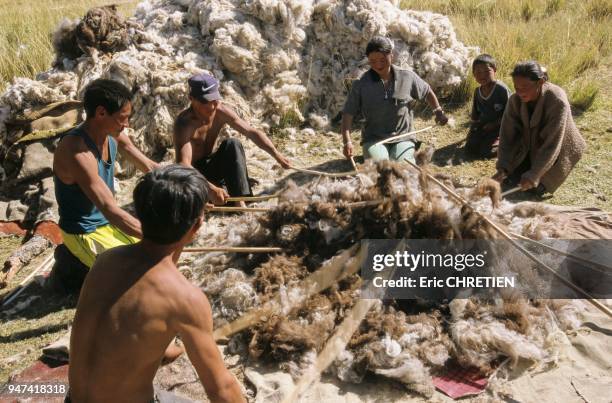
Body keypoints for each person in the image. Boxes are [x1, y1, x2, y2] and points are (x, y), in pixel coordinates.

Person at [67, 165, 245, 403]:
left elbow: (132, 322)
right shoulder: (184, 299)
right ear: (197, 226)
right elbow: (221, 390)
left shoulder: (105, 261)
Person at [52, 78, 158, 292]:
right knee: (136, 278)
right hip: (84, 231)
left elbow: (150, 166)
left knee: (154, 262)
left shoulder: (113, 134)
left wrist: (197, 190)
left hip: (109, 224)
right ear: (101, 113)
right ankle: (71, 264)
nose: (127, 124)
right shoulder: (76, 150)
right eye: (123, 118)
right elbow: (110, 209)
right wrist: (158, 237)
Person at [173, 73, 292, 206]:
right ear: (191, 98)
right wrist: (211, 189)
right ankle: (222, 198)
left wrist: (277, 155)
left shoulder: (220, 111)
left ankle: (240, 200)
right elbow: (184, 165)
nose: (212, 107)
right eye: (205, 102)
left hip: (211, 167)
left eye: (214, 100)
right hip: (194, 176)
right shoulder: (184, 124)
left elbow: (251, 132)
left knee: (232, 144)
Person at [341, 36, 448, 164]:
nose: (378, 65)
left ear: (391, 55)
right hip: (374, 139)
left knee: (403, 168)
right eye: (373, 61)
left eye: (382, 59)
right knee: (381, 168)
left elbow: (427, 91)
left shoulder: (407, 76)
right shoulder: (361, 84)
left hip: (403, 137)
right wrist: (347, 141)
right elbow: (348, 114)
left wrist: (438, 112)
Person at [493, 61, 586, 194]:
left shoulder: (557, 101)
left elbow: (552, 144)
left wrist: (534, 174)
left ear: (540, 82)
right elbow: (507, 136)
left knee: (535, 187)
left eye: (525, 86)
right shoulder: (514, 100)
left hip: (561, 145)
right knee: (512, 179)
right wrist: (502, 168)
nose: (520, 91)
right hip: (530, 143)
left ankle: (544, 181)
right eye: (516, 87)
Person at [465, 54, 512, 159]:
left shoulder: (501, 89)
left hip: (501, 127)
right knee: (470, 148)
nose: (482, 76)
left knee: (486, 152)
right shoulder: (477, 92)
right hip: (485, 127)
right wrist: (472, 131)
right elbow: (475, 116)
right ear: (473, 74)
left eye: (487, 72)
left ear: (495, 70)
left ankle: (505, 143)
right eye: (478, 72)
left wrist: (495, 124)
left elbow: (511, 113)